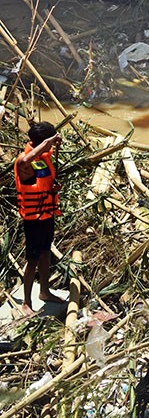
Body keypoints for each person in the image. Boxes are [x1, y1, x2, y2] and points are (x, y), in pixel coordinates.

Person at [14, 121, 65, 316]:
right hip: (33, 219)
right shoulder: (23, 160)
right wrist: (49, 141)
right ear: (43, 142)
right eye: (49, 142)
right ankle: (26, 302)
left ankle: (44, 291)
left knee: (45, 254)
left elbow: (42, 181)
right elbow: (25, 163)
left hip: (47, 214)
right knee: (33, 259)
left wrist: (53, 188)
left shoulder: (42, 159)